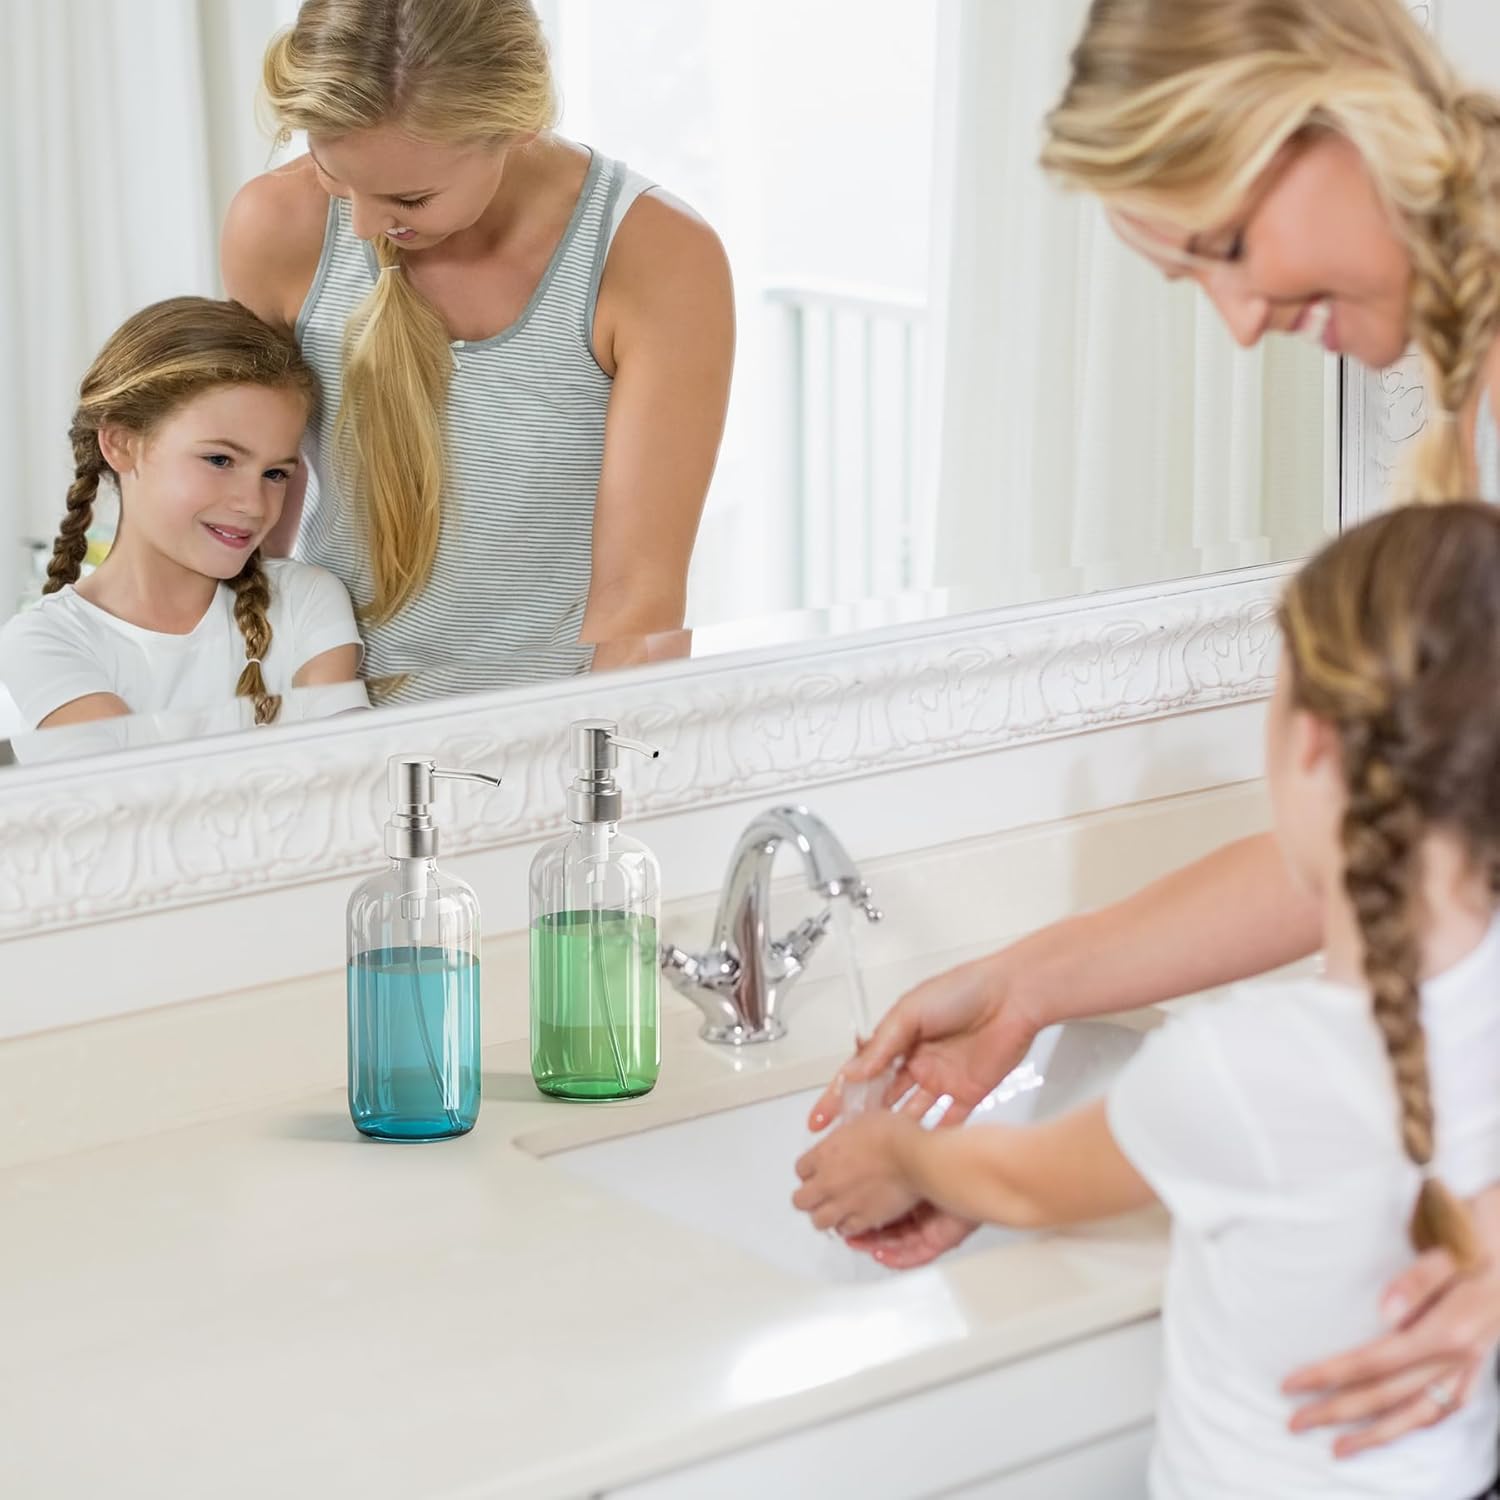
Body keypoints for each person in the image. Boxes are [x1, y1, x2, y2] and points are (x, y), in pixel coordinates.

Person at [810, 0, 1500, 1456]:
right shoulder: (1472, 393)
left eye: (1230, 245)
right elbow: (1402, 827)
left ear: (1333, 122)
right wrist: (1030, 981)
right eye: (1193, 277)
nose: (1241, 323)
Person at [798, 503, 1500, 1499]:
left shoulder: (1237, 1067)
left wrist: (902, 1155)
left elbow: (1033, 1182)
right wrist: (1023, 987)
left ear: (1311, 747)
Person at [222, 0, 735, 699]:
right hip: (327, 718)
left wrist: (589, 752)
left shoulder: (656, 254)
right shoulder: (274, 226)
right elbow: (250, 506)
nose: (363, 224)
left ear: (517, 124)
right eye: (332, 174)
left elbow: (638, 599)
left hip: (559, 725)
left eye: (410, 198)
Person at [0, 298, 364, 731]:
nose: (253, 504)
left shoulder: (306, 599)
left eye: (274, 473)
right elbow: (140, 779)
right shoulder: (46, 640)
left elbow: (356, 763)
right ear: (120, 444)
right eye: (220, 460)